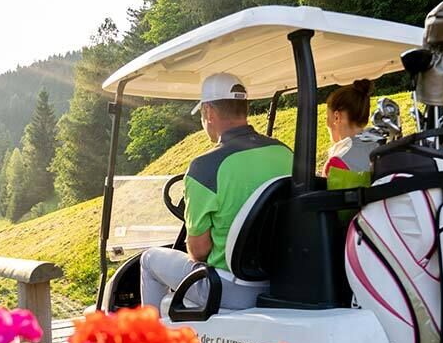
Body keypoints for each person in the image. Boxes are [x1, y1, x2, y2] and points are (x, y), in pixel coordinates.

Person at [140, 73, 292, 315]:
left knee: (148, 260)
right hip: (279, 280)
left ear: (209, 112)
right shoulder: (284, 153)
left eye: (202, 114)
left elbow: (198, 251)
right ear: (245, 108)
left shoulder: (205, 167)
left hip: (228, 288)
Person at [322, 79, 378, 187]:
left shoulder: (337, 162)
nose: (327, 124)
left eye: (327, 117)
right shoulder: (382, 145)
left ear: (337, 117)